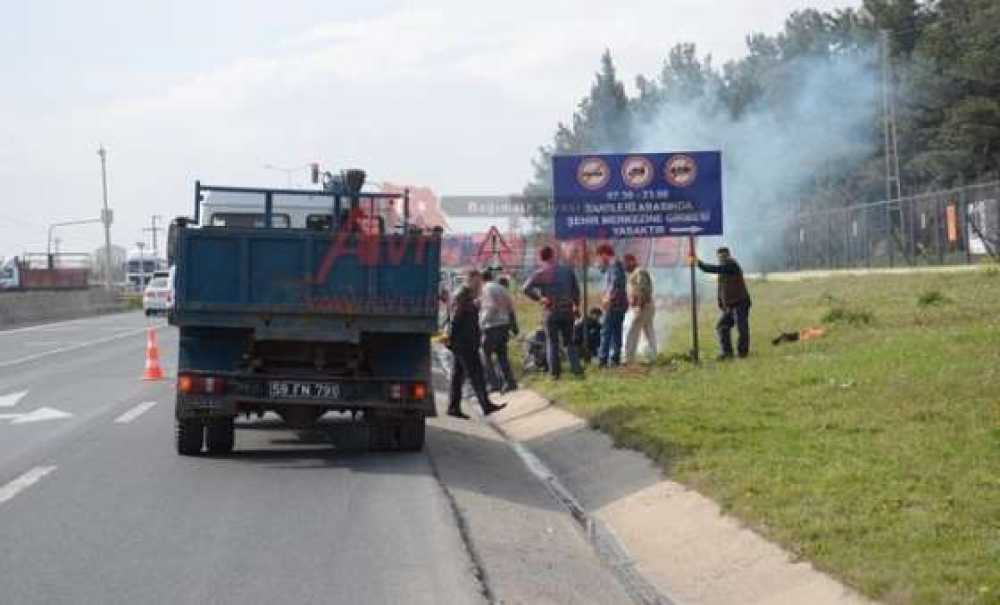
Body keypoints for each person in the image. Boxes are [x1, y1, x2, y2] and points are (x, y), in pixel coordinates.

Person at [445, 268, 507, 418]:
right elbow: (456, 319)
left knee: (458, 375)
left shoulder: (466, 294)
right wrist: (451, 339)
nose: (480, 285)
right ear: (471, 279)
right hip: (464, 342)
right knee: (476, 373)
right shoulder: (463, 294)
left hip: (464, 341)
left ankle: (453, 407)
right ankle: (486, 405)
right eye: (478, 281)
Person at [522, 245, 583, 379]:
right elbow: (576, 291)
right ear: (553, 255)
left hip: (551, 312)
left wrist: (540, 298)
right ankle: (577, 370)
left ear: (541, 258)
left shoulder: (541, 273)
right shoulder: (567, 271)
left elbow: (525, 288)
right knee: (569, 342)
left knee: (552, 343)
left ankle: (554, 374)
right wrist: (576, 306)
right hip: (567, 311)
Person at [692, 246, 752, 360]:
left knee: (741, 328)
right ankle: (727, 352)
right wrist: (721, 302)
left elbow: (711, 269)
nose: (722, 258)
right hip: (730, 305)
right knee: (722, 327)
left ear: (728, 255)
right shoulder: (723, 269)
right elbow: (721, 288)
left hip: (740, 303)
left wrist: (698, 263)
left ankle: (742, 353)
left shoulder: (731, 265)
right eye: (720, 256)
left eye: (724, 256)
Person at [479, 270, 518, 393]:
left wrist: (481, 323)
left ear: (482, 279)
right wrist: (513, 325)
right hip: (504, 326)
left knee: (486, 355)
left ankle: (493, 384)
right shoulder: (501, 288)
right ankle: (510, 382)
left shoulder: (485, 289)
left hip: (491, 327)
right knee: (502, 356)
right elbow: (511, 307)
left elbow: (491, 307)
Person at [595, 243, 628, 367]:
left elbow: (615, 284)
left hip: (613, 305)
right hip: (619, 304)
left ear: (604, 254)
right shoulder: (615, 265)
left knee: (606, 332)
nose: (599, 260)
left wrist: (607, 298)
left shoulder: (614, 265)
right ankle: (615, 358)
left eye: (599, 257)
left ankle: (603, 359)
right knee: (616, 332)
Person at [623, 253, 657, 364]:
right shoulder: (635, 273)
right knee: (648, 331)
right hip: (645, 306)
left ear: (631, 261)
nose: (625, 266)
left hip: (643, 306)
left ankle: (629, 357)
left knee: (632, 331)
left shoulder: (639, 272)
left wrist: (638, 305)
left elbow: (642, 289)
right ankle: (652, 355)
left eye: (626, 263)